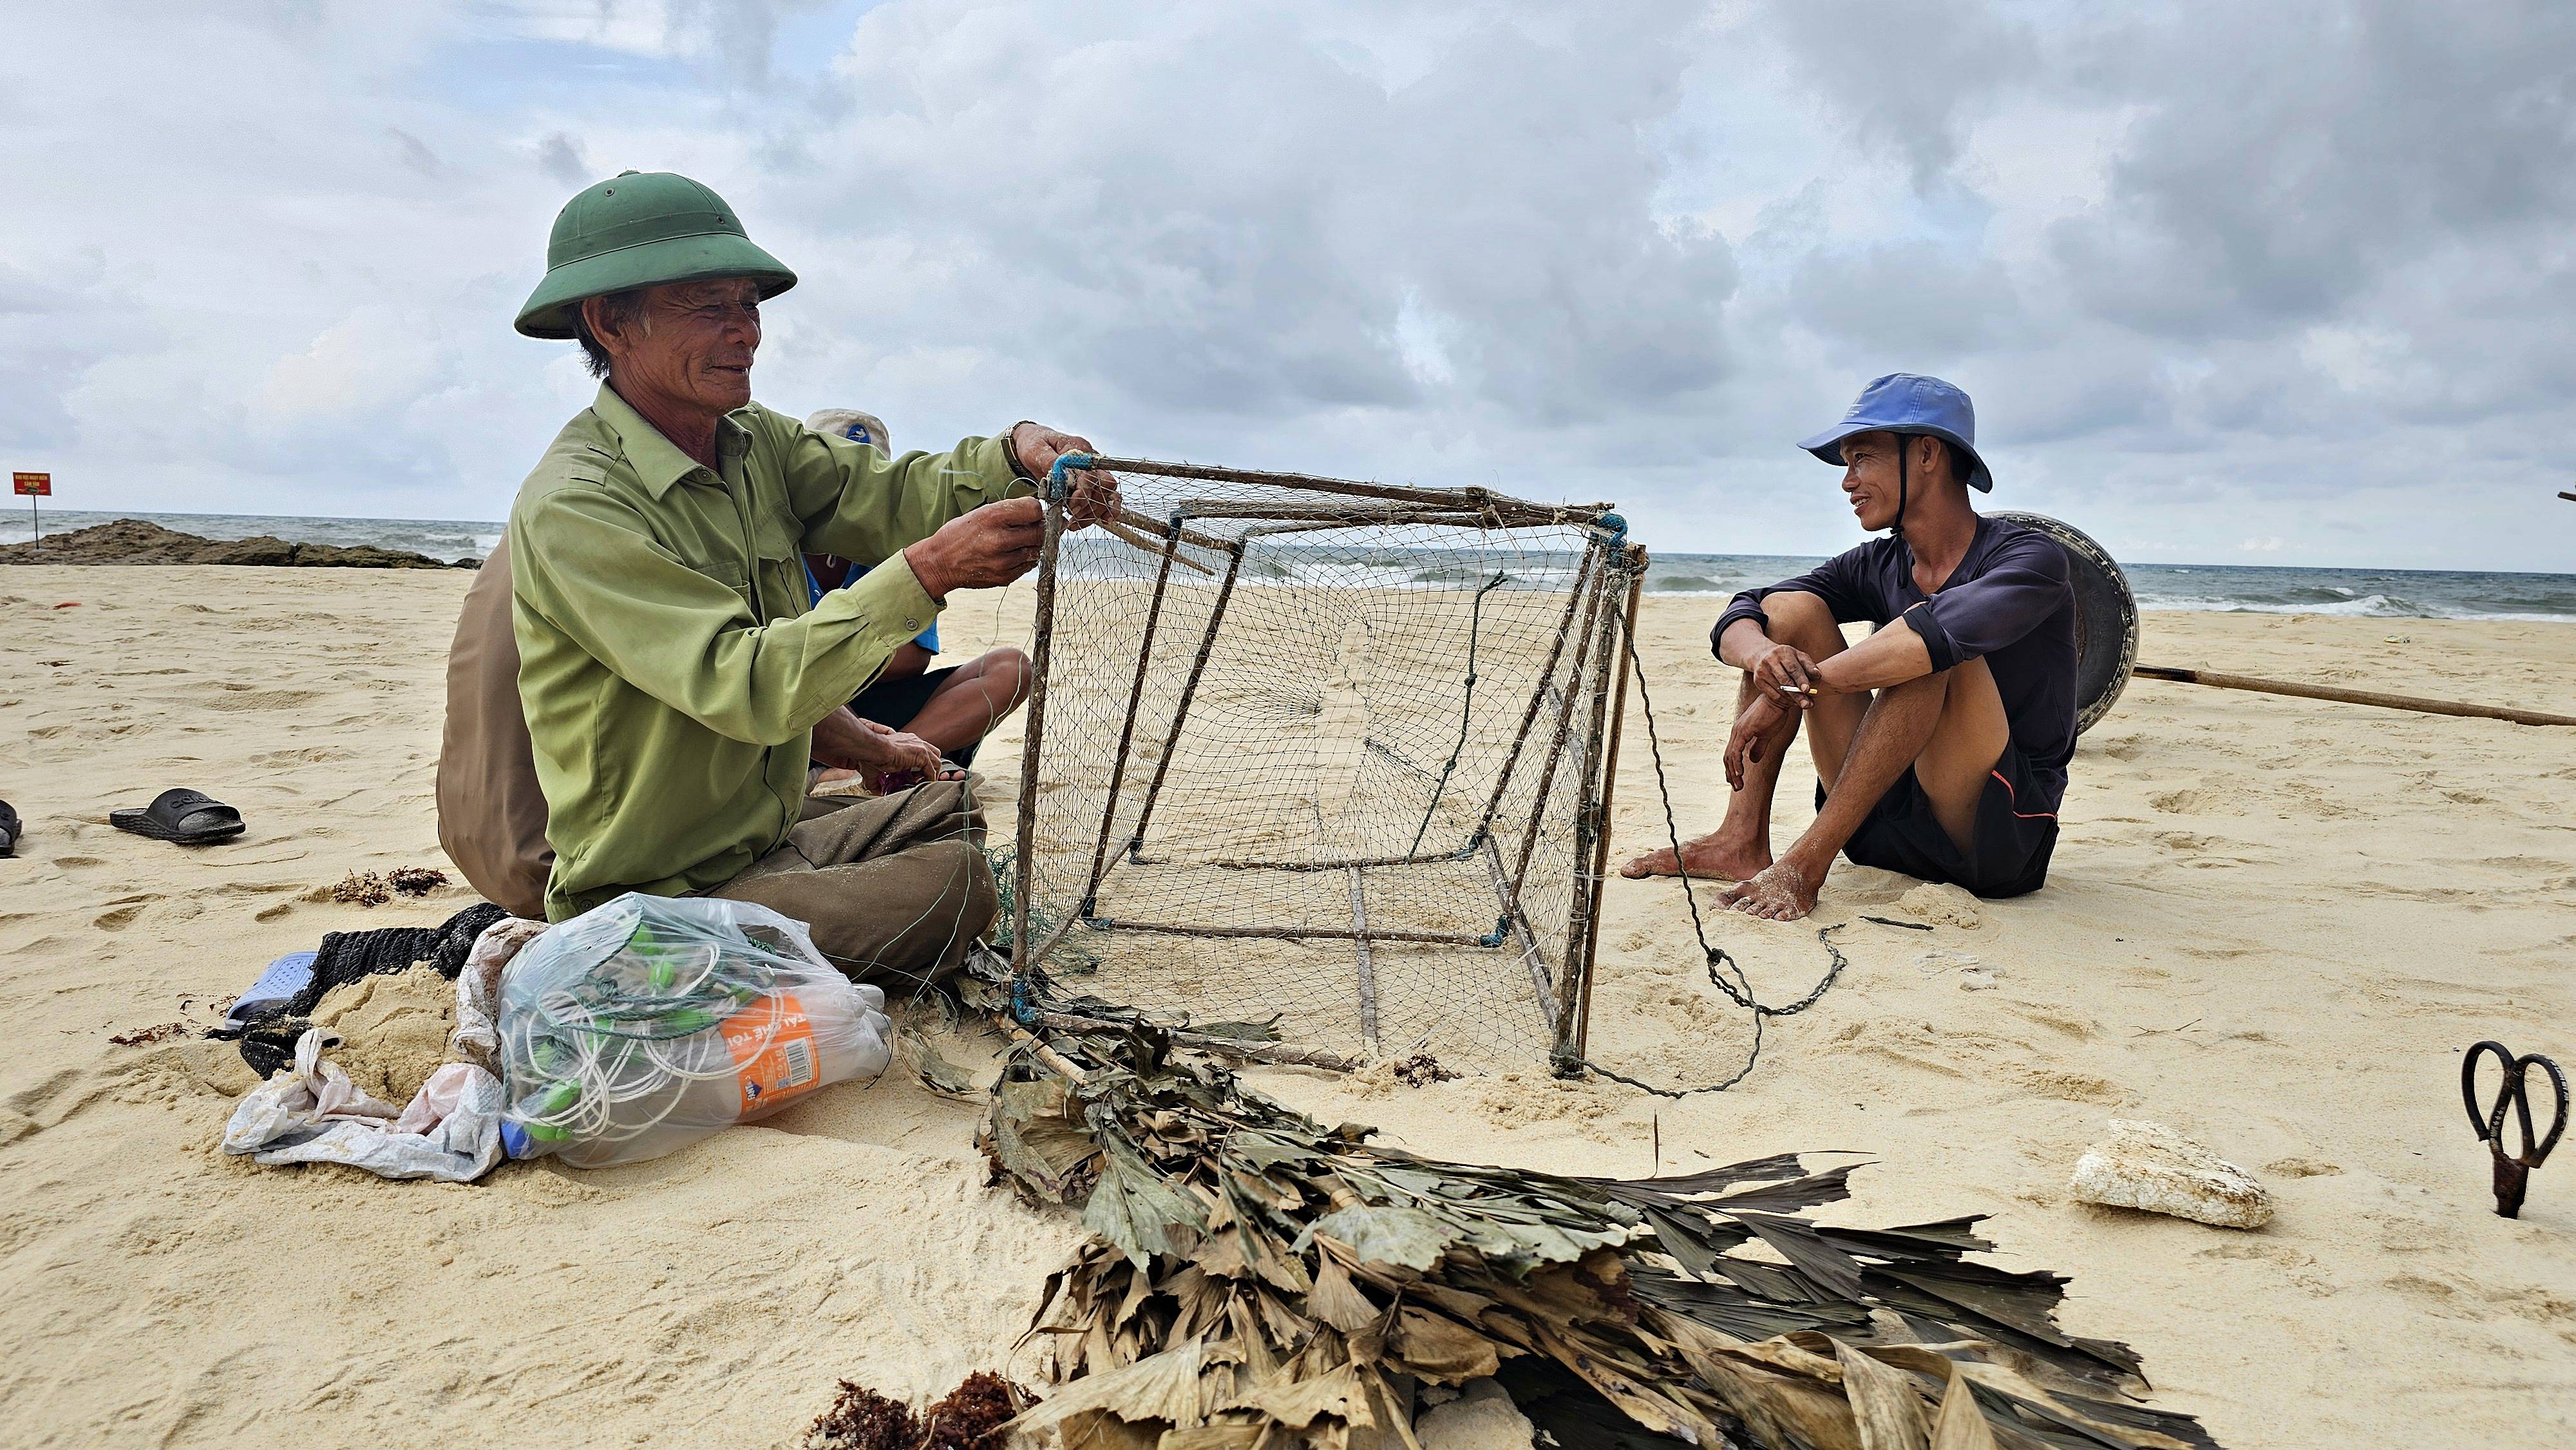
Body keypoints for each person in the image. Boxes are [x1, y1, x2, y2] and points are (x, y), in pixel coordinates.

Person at [498, 169, 1115, 992]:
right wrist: (930, 570)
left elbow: (888, 493)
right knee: (958, 883)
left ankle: (773, 913)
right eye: (708, 306)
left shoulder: (754, 442)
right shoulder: (579, 504)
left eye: (748, 305)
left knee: (948, 808)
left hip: (766, 835)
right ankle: (664, 962)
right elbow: (746, 683)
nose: (744, 333)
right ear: (612, 323)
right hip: (660, 890)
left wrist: (1013, 452)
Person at [1620, 373, 2074, 922]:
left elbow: (1929, 639)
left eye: (1862, 458)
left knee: (1926, 643)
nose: (1847, 481)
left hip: (1995, 839)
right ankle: (1740, 840)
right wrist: (1764, 660)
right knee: (1791, 613)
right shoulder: (1878, 562)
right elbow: (1749, 609)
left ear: (1928, 453)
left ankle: (1805, 865)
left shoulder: (2032, 559)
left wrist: (1787, 694)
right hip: (1880, 826)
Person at [799, 408, 1031, 781]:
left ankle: (891, 761)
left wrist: (825, 653)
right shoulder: (772, 549)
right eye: (832, 478)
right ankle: (859, 766)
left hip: (879, 709)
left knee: (1013, 669)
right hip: (802, 708)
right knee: (791, 682)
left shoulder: (892, 546)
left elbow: (911, 659)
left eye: (860, 482)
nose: (843, 498)